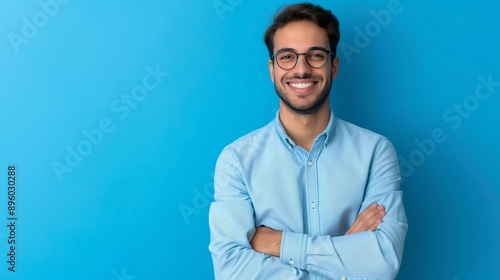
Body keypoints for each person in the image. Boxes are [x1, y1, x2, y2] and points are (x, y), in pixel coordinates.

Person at [208, 3, 408, 279]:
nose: (301, 70)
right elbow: (231, 270)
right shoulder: (236, 160)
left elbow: (381, 264)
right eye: (287, 57)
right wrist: (346, 252)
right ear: (272, 69)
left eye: (315, 55)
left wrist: (277, 243)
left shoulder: (376, 152)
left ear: (333, 66)